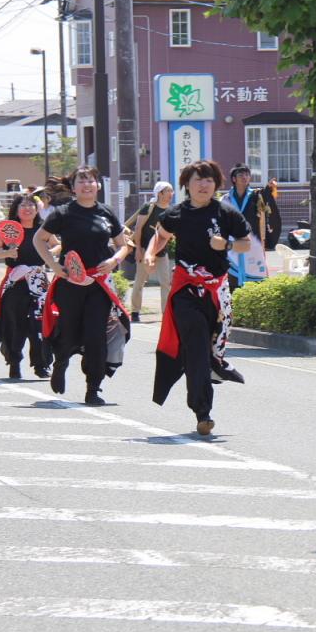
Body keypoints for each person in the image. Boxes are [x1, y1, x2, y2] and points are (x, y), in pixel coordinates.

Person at [149, 160, 251, 435]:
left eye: (209, 180)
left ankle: (212, 372)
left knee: (208, 350)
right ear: (186, 184)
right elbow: (160, 237)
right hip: (185, 289)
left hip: (217, 290)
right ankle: (202, 412)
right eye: (198, 179)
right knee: (195, 345)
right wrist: (150, 253)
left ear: (217, 184)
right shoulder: (176, 214)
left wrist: (227, 244)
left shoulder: (226, 213)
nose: (204, 185)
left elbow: (246, 243)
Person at [34, 166, 131, 406]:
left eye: (91, 180)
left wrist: (114, 260)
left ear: (98, 185)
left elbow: (123, 244)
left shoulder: (107, 213)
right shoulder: (64, 213)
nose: (87, 184)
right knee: (68, 331)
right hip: (71, 283)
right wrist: (54, 267)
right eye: (81, 181)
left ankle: (93, 388)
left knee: (95, 335)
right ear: (73, 186)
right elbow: (39, 239)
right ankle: (61, 362)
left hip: (99, 284)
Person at [0, 194, 57, 379]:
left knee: (39, 323)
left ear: (37, 209)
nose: (27, 209)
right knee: (15, 324)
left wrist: (49, 252)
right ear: (16, 210)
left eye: (31, 205)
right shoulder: (9, 230)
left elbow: (59, 245)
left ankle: (41, 365)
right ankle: (14, 362)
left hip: (38, 281)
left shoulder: (43, 229)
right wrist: (7, 252)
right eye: (23, 205)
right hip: (15, 282)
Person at [125, 181, 173, 322]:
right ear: (160, 193)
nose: (171, 194)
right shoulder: (149, 207)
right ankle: (135, 311)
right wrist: (138, 249)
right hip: (145, 250)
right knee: (139, 282)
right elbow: (138, 228)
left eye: (172, 191)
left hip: (162, 251)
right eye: (168, 191)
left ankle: (166, 314)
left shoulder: (170, 210)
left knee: (165, 283)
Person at [225, 164, 280, 288]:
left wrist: (269, 188)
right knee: (232, 279)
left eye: (247, 175)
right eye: (240, 175)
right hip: (233, 245)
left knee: (256, 280)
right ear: (234, 179)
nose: (244, 177)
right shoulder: (226, 200)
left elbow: (267, 199)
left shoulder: (256, 196)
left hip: (253, 243)